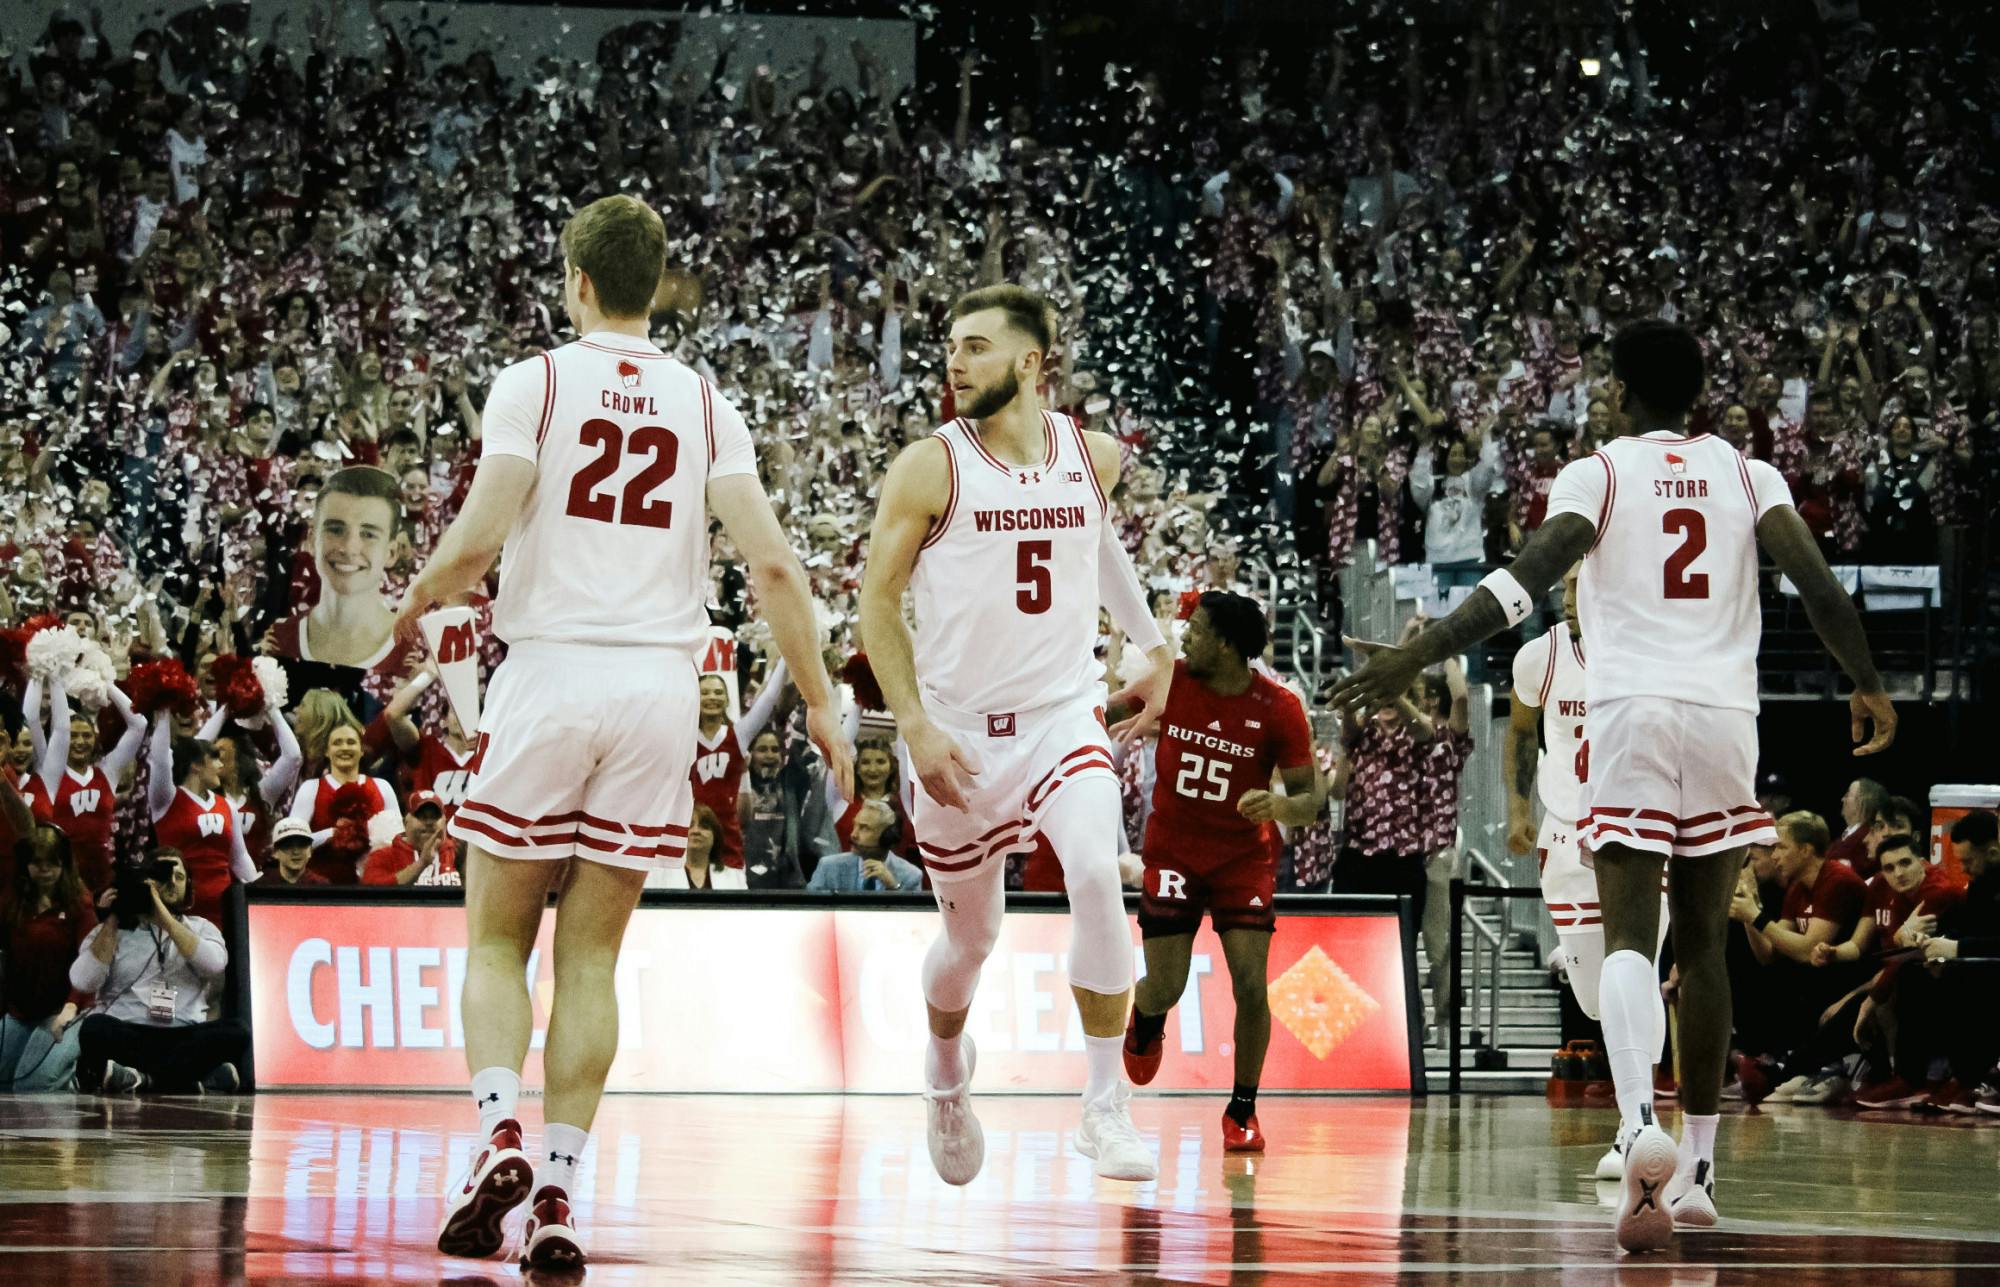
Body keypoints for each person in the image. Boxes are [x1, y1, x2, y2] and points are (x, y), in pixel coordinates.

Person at [1329, 320, 1894, 1253]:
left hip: (1632, 711)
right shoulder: (1752, 475)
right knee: (1704, 946)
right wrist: (1866, 682)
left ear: (1620, 385)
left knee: (1633, 934)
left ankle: (1639, 1123)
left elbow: (1526, 579)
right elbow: (1821, 589)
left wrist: (1423, 649)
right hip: (1726, 715)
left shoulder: (1601, 471)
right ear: (1700, 388)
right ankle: (1703, 1171)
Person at [391, 195, 847, 1271]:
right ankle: (558, 1189)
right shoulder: (702, 399)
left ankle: (497, 1128)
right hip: (658, 689)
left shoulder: (534, 382)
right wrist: (821, 699)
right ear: (655, 283)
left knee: (498, 938)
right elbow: (774, 565)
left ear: (576, 281)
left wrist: (412, 608)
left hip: (551, 674)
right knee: (592, 956)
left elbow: (478, 538)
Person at [859, 283, 1172, 1186]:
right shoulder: (930, 466)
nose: (955, 361)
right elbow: (877, 601)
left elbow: (1095, 543)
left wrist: (1152, 647)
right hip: (958, 738)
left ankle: (1105, 1107)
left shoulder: (1093, 454)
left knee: (1094, 869)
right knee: (971, 943)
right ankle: (946, 1074)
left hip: (1059, 714)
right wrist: (912, 723)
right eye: (951, 345)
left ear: (1032, 363)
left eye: (978, 346)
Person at [1119, 592, 1317, 1153]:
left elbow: (1309, 798)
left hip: (1241, 859)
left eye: (1197, 630)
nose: (1185, 637)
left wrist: (1278, 805)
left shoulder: (1279, 707)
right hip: (1175, 851)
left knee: (1252, 985)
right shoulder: (1170, 680)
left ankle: (1243, 1108)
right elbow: (1104, 709)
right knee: (1166, 984)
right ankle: (1146, 1019)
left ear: (1227, 645)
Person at [1504, 562, 1667, 1181]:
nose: (1572, 598)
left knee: (1640, 970)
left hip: (1639, 826)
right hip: (1566, 828)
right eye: (1566, 586)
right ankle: (1636, 1114)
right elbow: (1521, 736)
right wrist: (1519, 807)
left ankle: (1638, 1121)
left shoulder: (1649, 648)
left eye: (1584, 586)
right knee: (1597, 997)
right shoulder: (1539, 657)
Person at [69, 848, 248, 1094]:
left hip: (183, 1034)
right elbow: (82, 981)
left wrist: (162, 915)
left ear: (189, 885)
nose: (171, 883)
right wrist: (112, 918)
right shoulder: (111, 932)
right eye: (163, 876)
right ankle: (190, 1080)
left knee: (237, 1031)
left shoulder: (201, 927)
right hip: (131, 1031)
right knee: (94, 1028)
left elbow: (213, 964)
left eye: (179, 877)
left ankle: (142, 1079)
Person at [270, 465, 424, 675]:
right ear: (312, 539)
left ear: (391, 552)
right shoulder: (279, 639)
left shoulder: (412, 648)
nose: (349, 548)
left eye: (368, 534)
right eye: (335, 529)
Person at [1, 825, 95, 1092]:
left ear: (64, 865)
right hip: (21, 1013)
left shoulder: (80, 904)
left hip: (65, 1011)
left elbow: (88, 963)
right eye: (37, 863)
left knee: (33, 1084)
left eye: (52, 863)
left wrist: (70, 1007)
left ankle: (83, 1074)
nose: (45, 871)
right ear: (26, 865)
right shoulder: (13, 902)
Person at [33, 674, 146, 894]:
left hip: (103, 878)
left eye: (86, 735)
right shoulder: (50, 772)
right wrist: (55, 677)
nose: (80, 742)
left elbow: (139, 724)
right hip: (61, 878)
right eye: (73, 736)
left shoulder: (107, 771)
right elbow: (51, 726)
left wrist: (106, 682)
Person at [145, 721, 259, 925]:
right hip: (178, 906)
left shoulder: (227, 806)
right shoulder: (166, 799)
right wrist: (163, 715)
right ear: (195, 765)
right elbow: (159, 761)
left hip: (223, 907)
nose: (220, 765)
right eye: (214, 759)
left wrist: (259, 896)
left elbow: (239, 857)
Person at [690, 659, 787, 873]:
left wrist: (786, 656)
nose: (712, 697)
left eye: (717, 692)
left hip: (728, 841)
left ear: (727, 699)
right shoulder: (683, 735)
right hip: (689, 841)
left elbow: (769, 696)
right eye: (705, 692)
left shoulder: (739, 734)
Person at [286, 723, 401, 885]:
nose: (344, 748)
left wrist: (371, 836)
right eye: (337, 743)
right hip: (322, 889)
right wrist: (332, 834)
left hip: (373, 888)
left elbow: (400, 842)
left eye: (351, 742)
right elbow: (291, 843)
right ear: (327, 751)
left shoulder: (382, 787)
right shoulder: (311, 789)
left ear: (361, 750)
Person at [806, 800, 922, 892]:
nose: (853, 835)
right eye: (855, 825)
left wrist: (893, 887)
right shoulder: (828, 867)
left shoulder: (911, 875)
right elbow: (810, 912)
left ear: (887, 836)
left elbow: (910, 920)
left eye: (864, 828)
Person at [360, 791, 453, 886]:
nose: (429, 822)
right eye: (421, 816)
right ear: (405, 823)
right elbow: (370, 891)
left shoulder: (457, 853)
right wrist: (421, 864)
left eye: (435, 817)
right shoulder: (383, 857)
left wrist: (463, 865)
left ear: (445, 821)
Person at [647, 806, 743, 891]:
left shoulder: (735, 876)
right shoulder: (657, 875)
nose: (696, 831)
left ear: (715, 837)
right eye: (689, 826)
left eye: (704, 827)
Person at [259, 818, 327, 886]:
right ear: (274, 852)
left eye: (302, 845)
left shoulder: (322, 885)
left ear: (310, 851)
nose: (296, 852)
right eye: (288, 845)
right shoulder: (260, 885)